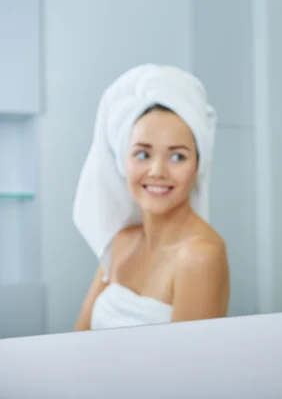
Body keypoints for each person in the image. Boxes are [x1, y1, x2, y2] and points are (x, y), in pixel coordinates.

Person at [72, 64, 229, 331]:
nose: (157, 171)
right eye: (143, 154)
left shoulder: (200, 257)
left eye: (177, 156)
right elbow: (77, 340)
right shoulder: (121, 243)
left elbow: (189, 369)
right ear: (124, 161)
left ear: (198, 166)